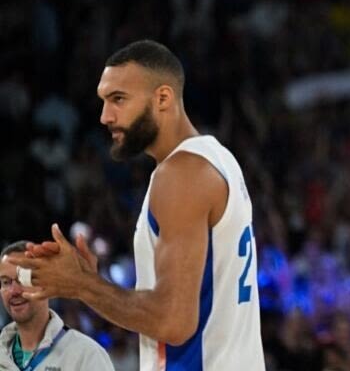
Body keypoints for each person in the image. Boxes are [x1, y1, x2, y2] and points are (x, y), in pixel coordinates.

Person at [9, 40, 265, 370]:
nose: (104, 116)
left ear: (163, 98)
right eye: (103, 101)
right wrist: (89, 281)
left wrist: (83, 285)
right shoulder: (216, 159)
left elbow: (173, 322)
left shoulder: (181, 174)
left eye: (118, 99)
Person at [0, 241, 114, 371]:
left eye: (23, 279)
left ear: (46, 283)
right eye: (5, 282)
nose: (14, 291)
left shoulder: (86, 355)